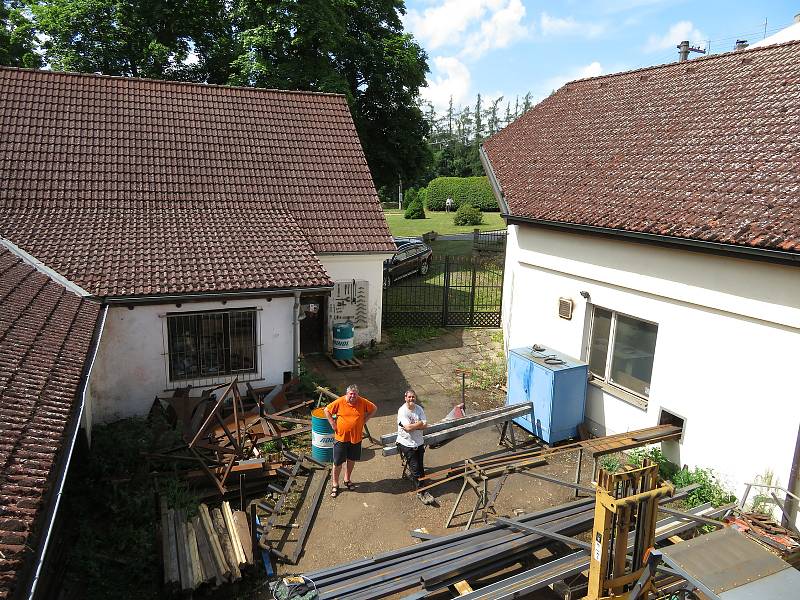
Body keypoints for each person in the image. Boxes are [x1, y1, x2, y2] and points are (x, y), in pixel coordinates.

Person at [324, 384, 376, 497]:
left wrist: (365, 420)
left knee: (351, 459)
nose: (353, 396)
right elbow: (326, 410)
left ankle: (347, 479)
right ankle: (335, 484)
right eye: (351, 393)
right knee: (337, 462)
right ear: (347, 394)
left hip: (356, 438)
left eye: (355, 394)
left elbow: (374, 408)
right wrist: (333, 423)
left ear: (358, 394)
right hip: (341, 438)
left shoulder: (362, 401)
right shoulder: (340, 401)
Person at [396, 389, 434, 504]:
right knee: (416, 468)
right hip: (406, 444)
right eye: (409, 397)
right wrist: (419, 424)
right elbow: (408, 428)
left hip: (418, 442)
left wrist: (414, 426)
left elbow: (425, 425)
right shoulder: (402, 411)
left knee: (420, 467)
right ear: (405, 398)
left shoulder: (419, 409)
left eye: (413, 397)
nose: (411, 399)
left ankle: (422, 488)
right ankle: (421, 492)